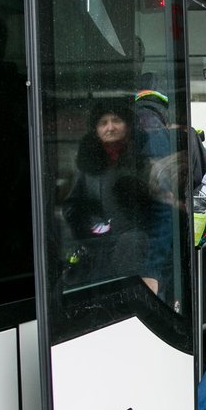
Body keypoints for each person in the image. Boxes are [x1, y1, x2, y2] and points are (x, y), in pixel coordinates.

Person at [61, 98, 151, 285]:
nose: (110, 128)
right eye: (103, 123)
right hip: (97, 254)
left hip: (136, 253)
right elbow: (72, 206)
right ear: (96, 130)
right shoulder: (87, 164)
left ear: (127, 125)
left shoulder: (144, 157)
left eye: (116, 120)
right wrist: (88, 225)